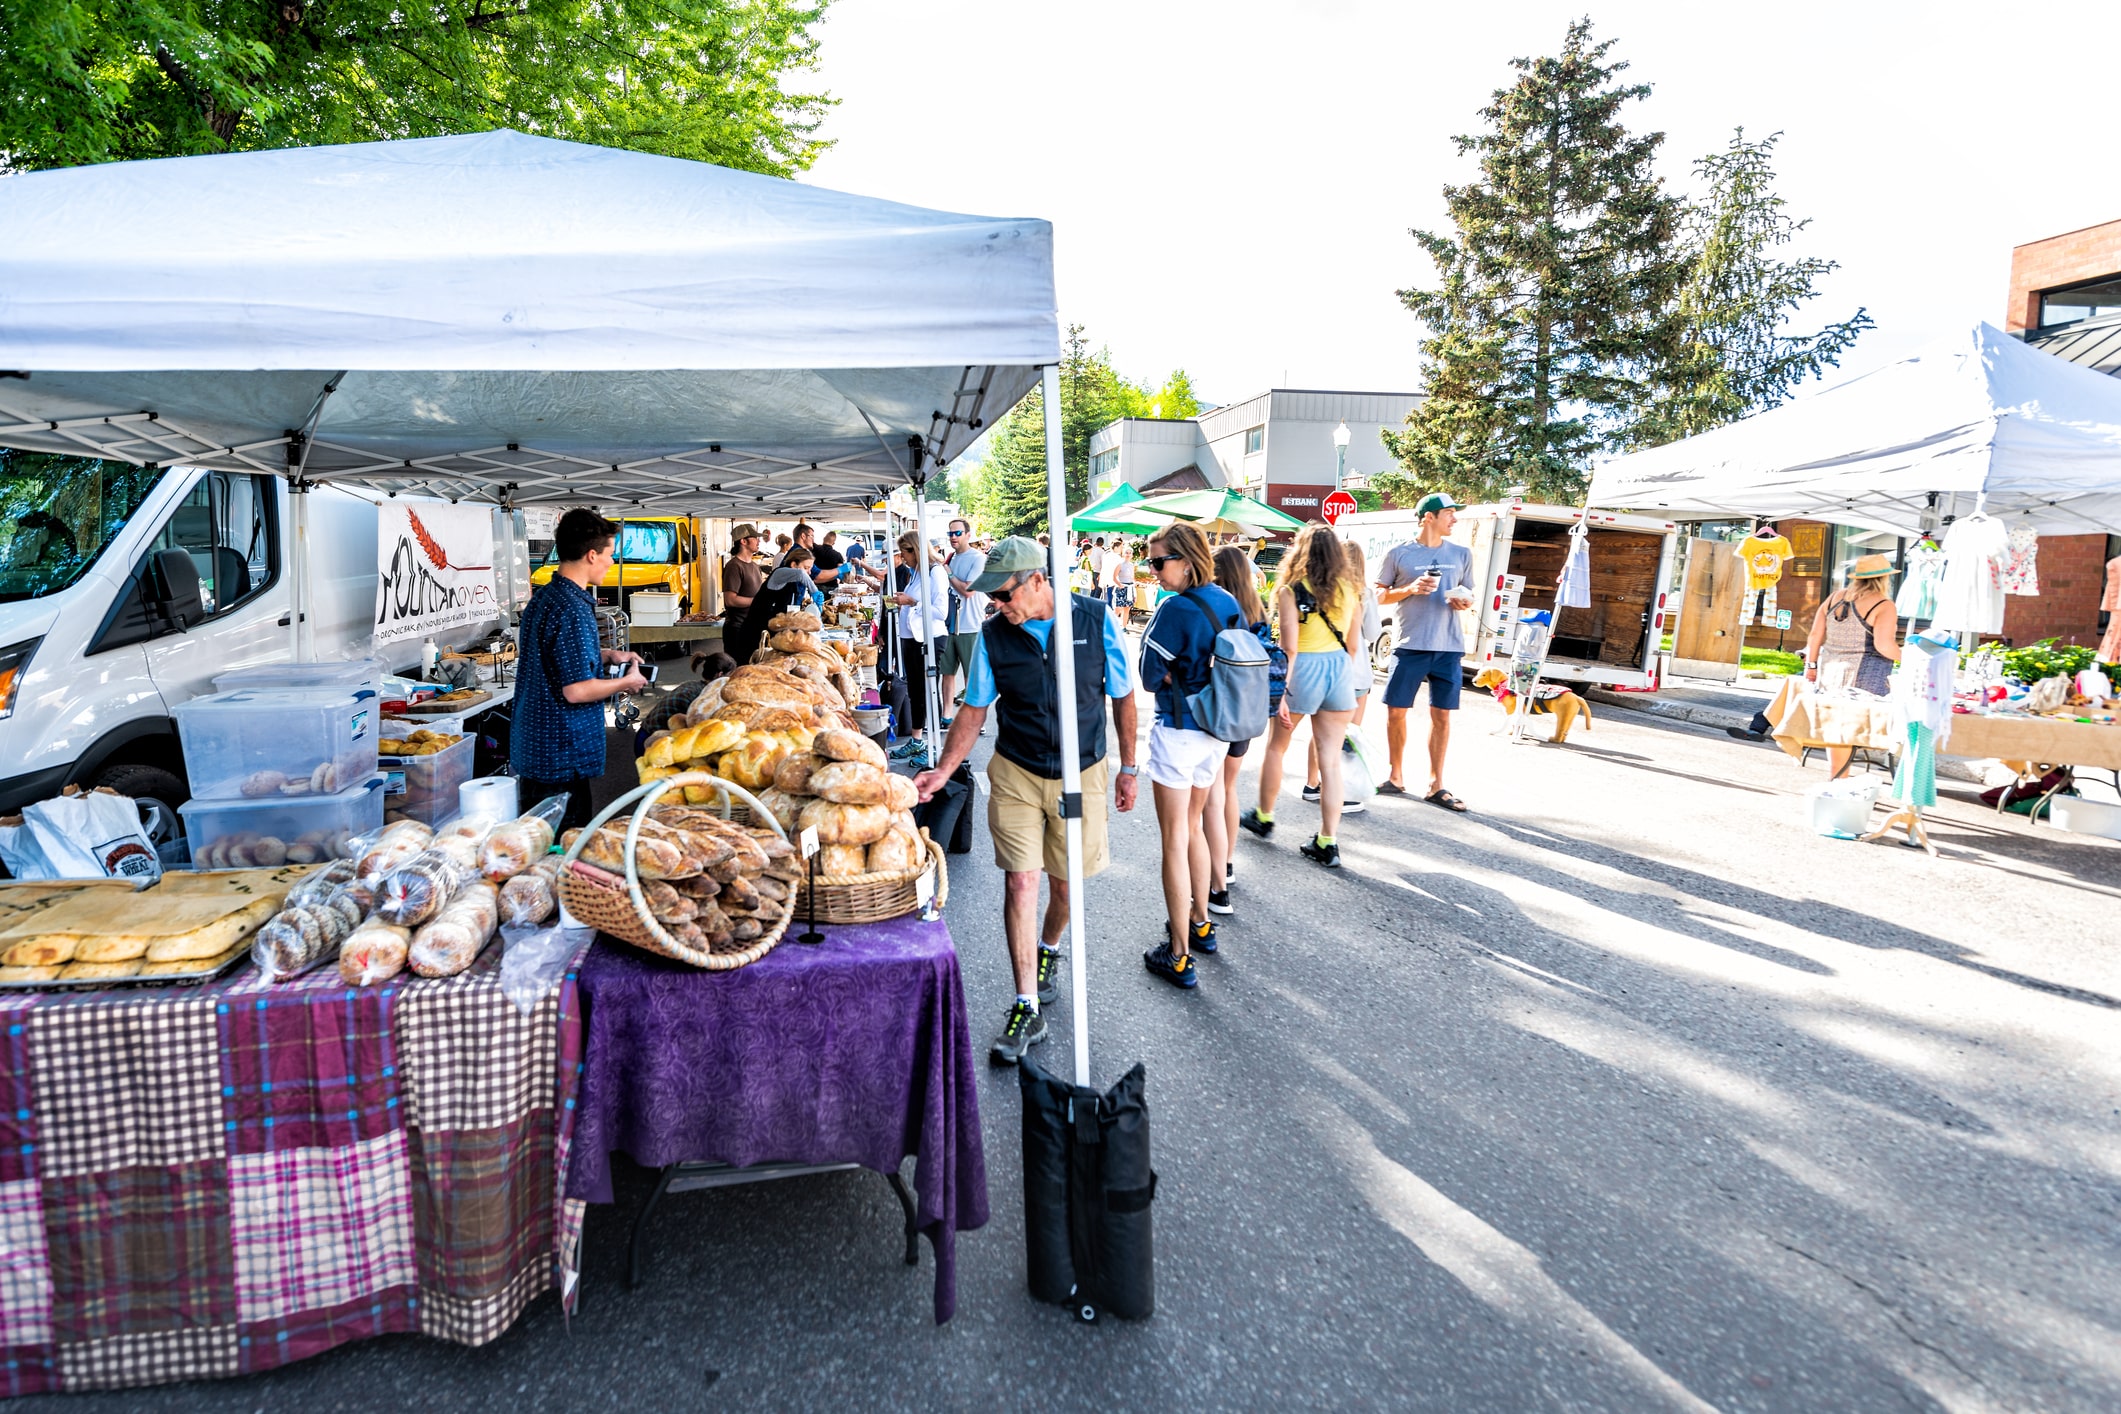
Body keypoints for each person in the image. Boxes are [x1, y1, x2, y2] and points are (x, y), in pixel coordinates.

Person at [912, 537, 1139, 1064]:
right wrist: (944, 770)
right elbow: (973, 710)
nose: (997, 606)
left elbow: (1124, 696)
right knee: (1021, 880)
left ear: (1038, 581)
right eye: (992, 599)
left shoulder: (1094, 619)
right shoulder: (993, 635)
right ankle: (1025, 1002)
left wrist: (1128, 767)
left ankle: (1049, 949)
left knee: (1065, 886)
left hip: (1080, 774)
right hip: (1016, 769)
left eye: (1004, 596)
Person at [1137, 522, 1243, 988]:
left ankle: (1179, 953)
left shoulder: (1173, 609)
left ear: (1184, 559)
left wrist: (1175, 679)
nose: (1153, 571)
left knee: (1174, 839)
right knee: (1196, 826)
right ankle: (1200, 922)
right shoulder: (1227, 600)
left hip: (1179, 730)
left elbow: (1147, 672)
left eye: (1159, 562)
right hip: (1217, 732)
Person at [511, 508, 647, 831]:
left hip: (540, 752)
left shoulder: (545, 598)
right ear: (590, 555)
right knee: (563, 851)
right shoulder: (572, 608)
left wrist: (608, 654)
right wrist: (626, 683)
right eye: (610, 554)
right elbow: (576, 690)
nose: (612, 562)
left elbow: (555, 657)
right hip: (559, 755)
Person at [1240, 524, 1362, 868]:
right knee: (1330, 760)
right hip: (1339, 670)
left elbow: (1289, 648)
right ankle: (1327, 840)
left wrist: (1281, 693)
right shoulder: (1350, 588)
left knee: (1277, 746)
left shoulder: (1291, 590)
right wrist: (1338, 674)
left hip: (1303, 669)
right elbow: (1353, 645)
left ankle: (1264, 816)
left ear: (1301, 551)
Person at [1376, 493, 1477, 811]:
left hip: (1448, 647)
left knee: (1442, 716)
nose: (1455, 519)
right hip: (1409, 645)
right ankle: (1395, 776)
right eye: (1449, 513)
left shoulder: (1462, 553)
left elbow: (1470, 594)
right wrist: (1409, 589)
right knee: (1396, 712)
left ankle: (1436, 784)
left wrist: (1464, 601)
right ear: (1429, 517)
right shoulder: (1398, 553)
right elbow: (1378, 596)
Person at [1207, 545, 1270, 915]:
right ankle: (1227, 863)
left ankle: (1215, 872)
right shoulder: (1256, 607)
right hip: (1248, 707)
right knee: (1229, 789)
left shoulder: (1218, 607)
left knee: (1213, 794)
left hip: (1220, 708)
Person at [1805, 554, 1902, 778]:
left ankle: (1839, 776)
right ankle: (1840, 780)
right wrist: (1911, 659)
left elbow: (1815, 635)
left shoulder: (1833, 599)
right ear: (1884, 579)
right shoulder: (1883, 605)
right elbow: (1884, 645)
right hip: (1864, 674)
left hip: (1829, 671)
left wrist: (1811, 666)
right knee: (1852, 730)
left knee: (1836, 728)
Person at [1305, 540, 1382, 807]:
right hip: (1357, 670)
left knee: (1320, 730)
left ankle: (1312, 782)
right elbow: (1372, 633)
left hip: (1325, 667)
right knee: (1349, 733)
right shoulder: (1364, 593)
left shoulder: (1322, 589)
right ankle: (1341, 790)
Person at [891, 532, 950, 758]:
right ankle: (917, 740)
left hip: (929, 639)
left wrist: (912, 602)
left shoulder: (935, 572)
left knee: (927, 690)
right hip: (911, 638)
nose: (902, 558)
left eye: (904, 553)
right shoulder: (915, 572)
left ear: (914, 551)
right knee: (915, 691)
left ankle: (934, 746)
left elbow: (940, 612)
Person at [937, 517, 987, 723]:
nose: (953, 537)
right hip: (949, 625)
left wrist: (948, 573)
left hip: (970, 625)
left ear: (968, 535)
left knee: (971, 677)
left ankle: (973, 721)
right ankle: (946, 715)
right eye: (950, 533)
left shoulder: (978, 558)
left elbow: (968, 590)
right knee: (947, 674)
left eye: (957, 533)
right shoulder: (950, 558)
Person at [721, 522, 766, 620]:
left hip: (752, 623)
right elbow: (730, 600)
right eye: (755, 538)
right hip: (738, 625)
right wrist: (757, 601)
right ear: (743, 541)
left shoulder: (755, 566)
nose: (759, 542)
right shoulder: (734, 566)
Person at [785, 522, 842, 588]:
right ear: (803, 536)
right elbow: (817, 576)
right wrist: (840, 570)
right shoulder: (799, 553)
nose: (813, 540)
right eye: (812, 536)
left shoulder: (798, 550)